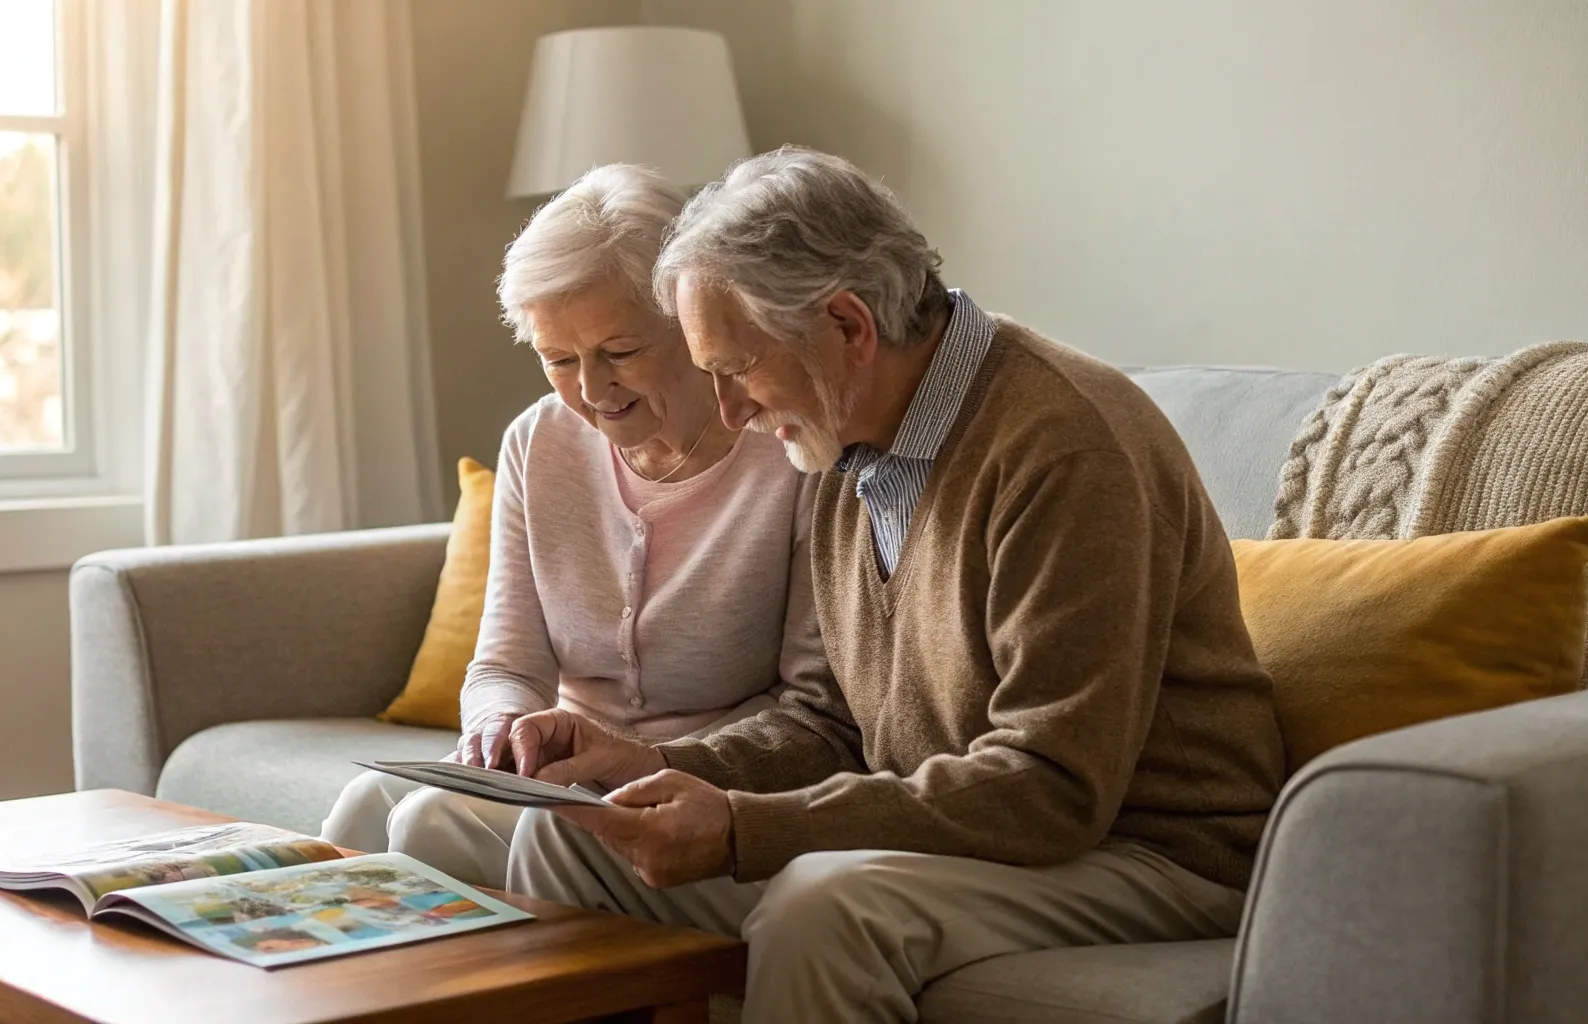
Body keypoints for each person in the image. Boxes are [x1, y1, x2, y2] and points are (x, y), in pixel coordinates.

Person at [499, 147, 1287, 1023]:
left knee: (829, 907)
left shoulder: (1063, 447)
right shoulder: (845, 440)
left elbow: (1053, 788)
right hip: (976, 824)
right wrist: (656, 769)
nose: (731, 414)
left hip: (1153, 850)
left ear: (846, 325)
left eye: (737, 370)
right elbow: (835, 720)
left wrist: (743, 827)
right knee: (572, 836)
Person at [319, 164, 824, 888]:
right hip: (558, 773)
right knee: (368, 804)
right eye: (559, 359)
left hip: (703, 789)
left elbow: (815, 702)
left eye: (620, 352)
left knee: (432, 822)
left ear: (690, 320)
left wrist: (642, 759)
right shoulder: (539, 441)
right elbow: (506, 665)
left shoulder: (786, 450)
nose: (591, 390)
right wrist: (497, 724)